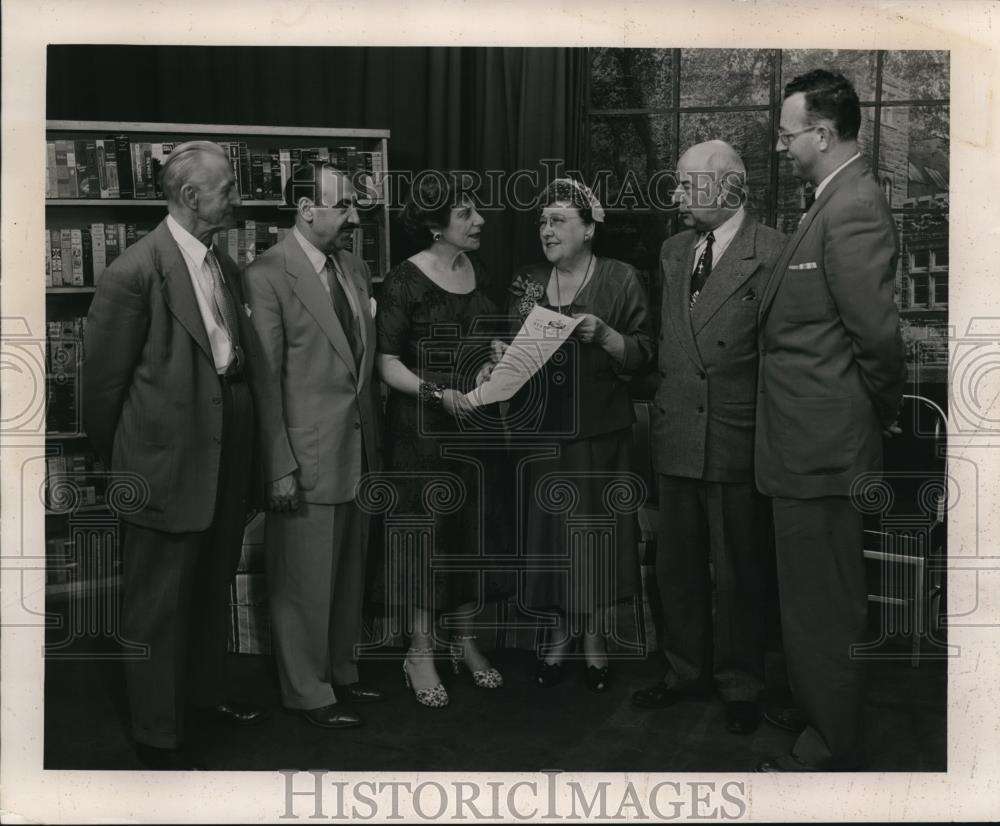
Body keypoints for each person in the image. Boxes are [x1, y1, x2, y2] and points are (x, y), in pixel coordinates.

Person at [82, 140, 267, 770]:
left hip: (221, 462)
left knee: (209, 588)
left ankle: (203, 700)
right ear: (191, 197)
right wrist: (136, 464)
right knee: (157, 605)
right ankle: (157, 733)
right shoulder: (133, 272)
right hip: (163, 469)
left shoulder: (225, 266)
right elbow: (100, 392)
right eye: (227, 189)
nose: (236, 199)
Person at [754, 70, 906, 771]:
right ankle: (820, 707)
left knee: (826, 605)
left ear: (822, 133)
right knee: (810, 601)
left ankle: (830, 742)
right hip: (804, 445)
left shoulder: (853, 208)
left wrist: (866, 416)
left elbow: (876, 341)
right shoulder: (830, 201)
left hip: (823, 447)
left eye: (788, 134)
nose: (782, 147)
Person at [630, 141, 785, 735]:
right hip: (675, 430)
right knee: (678, 566)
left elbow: (779, 355)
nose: (675, 195)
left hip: (735, 432)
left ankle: (741, 682)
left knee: (741, 567)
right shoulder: (673, 250)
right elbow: (668, 341)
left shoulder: (772, 251)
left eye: (688, 184)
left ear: (728, 187)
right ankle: (683, 671)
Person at [244, 161, 384, 730]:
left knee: (346, 572)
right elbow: (266, 380)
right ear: (306, 209)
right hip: (304, 456)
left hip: (355, 450)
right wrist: (278, 464)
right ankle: (307, 692)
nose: (355, 216)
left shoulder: (354, 267)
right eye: (343, 205)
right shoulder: (268, 274)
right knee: (301, 583)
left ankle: (339, 672)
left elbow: (357, 364)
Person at [507, 178, 653, 693]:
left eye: (559, 221)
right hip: (544, 434)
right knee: (553, 543)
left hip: (600, 434)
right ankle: (559, 636)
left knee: (595, 541)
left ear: (589, 229)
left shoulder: (620, 279)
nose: (546, 230)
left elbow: (645, 355)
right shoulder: (526, 281)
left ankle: (595, 641)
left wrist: (607, 336)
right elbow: (511, 351)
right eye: (542, 222)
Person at [375, 171, 506, 708]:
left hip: (474, 427)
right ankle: (420, 651)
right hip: (422, 431)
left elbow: (484, 334)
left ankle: (466, 642)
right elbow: (385, 365)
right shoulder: (403, 280)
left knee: (469, 534)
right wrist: (436, 393)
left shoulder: (479, 269)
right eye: (465, 214)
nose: (478, 222)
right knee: (426, 540)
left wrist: (497, 351)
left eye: (476, 211)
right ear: (436, 226)